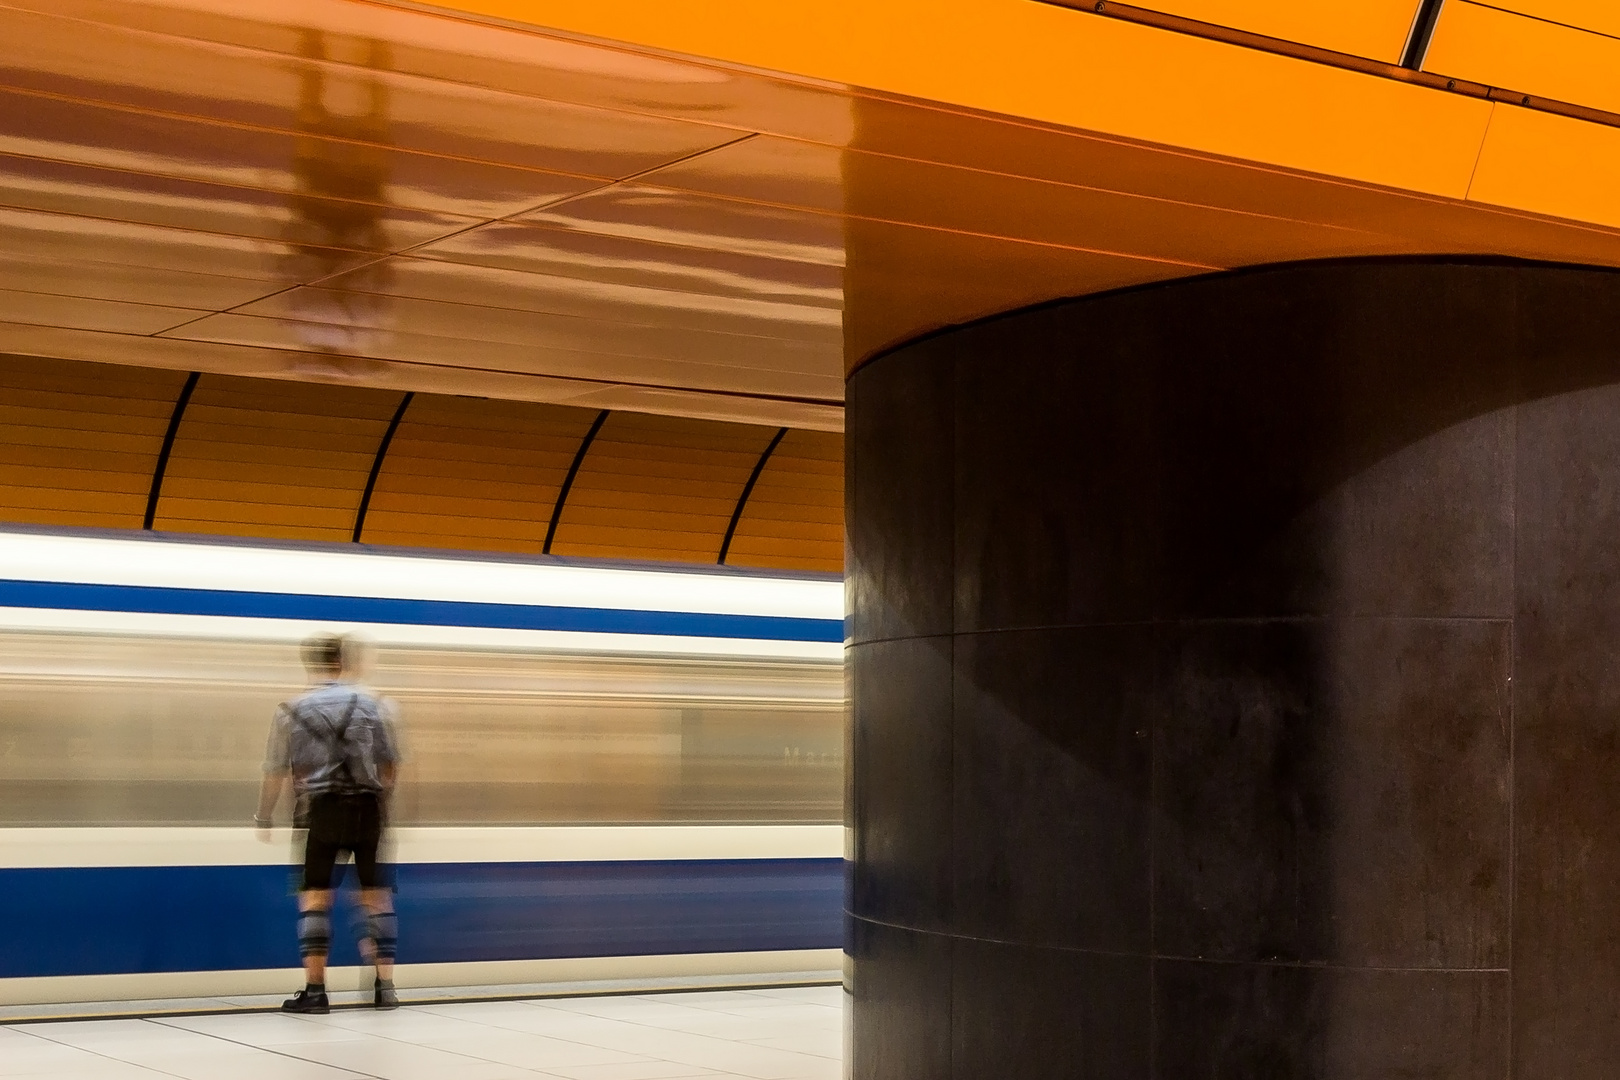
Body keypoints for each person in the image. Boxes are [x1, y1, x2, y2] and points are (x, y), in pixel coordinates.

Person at [256, 633, 401, 1013]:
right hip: (369, 810)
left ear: (314, 664)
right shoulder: (376, 706)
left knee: (316, 898)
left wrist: (264, 816)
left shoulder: (291, 711)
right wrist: (377, 799)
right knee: (375, 898)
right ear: (345, 662)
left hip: (321, 811)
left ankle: (316, 991)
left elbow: (277, 770)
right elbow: (390, 764)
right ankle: (384, 987)